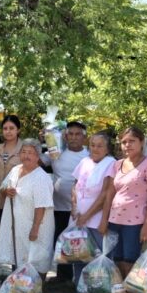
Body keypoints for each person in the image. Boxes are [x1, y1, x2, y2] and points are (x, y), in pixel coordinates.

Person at [99, 127, 147, 293]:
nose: (127, 145)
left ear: (142, 142)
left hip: (135, 222)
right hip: (115, 221)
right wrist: (104, 219)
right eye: (124, 142)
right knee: (117, 264)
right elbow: (110, 193)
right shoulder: (117, 165)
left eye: (132, 141)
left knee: (131, 264)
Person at [0, 139, 55, 277]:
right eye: (23, 152)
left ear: (37, 156)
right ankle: (16, 287)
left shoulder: (41, 177)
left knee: (35, 257)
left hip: (36, 225)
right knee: (17, 253)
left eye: (30, 153)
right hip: (16, 224)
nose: (26, 156)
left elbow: (41, 206)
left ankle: (34, 291)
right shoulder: (15, 170)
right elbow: (3, 188)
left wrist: (35, 229)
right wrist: (7, 191)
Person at [68, 132, 116, 293]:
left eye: (100, 145)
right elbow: (75, 186)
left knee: (96, 256)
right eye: (93, 145)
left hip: (96, 219)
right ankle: (80, 291)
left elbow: (104, 194)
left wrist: (87, 215)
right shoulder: (84, 161)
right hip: (78, 217)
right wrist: (74, 207)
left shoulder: (111, 163)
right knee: (79, 254)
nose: (95, 149)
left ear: (107, 148)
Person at [48, 121, 89, 283]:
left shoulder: (90, 155)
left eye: (77, 134)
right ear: (65, 137)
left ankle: (81, 280)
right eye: (70, 134)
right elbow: (38, 161)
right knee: (60, 242)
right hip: (58, 207)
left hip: (81, 210)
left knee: (81, 245)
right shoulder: (56, 154)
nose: (73, 137)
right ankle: (62, 278)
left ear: (84, 138)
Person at [0, 115, 23, 213]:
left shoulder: (25, 149)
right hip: (0, 201)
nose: (8, 131)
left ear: (18, 130)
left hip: (19, 199)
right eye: (5, 128)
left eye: (12, 128)